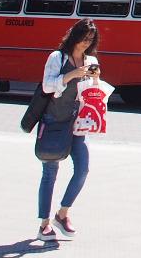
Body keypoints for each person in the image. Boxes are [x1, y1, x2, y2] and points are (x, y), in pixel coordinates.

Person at [35, 19, 100, 242]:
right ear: (75, 36)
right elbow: (47, 86)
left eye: (90, 40)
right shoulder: (57, 58)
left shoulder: (91, 60)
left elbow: (93, 92)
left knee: (83, 169)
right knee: (50, 174)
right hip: (54, 120)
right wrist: (72, 74)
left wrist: (95, 81)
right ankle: (43, 224)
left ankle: (62, 213)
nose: (85, 44)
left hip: (78, 124)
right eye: (83, 39)